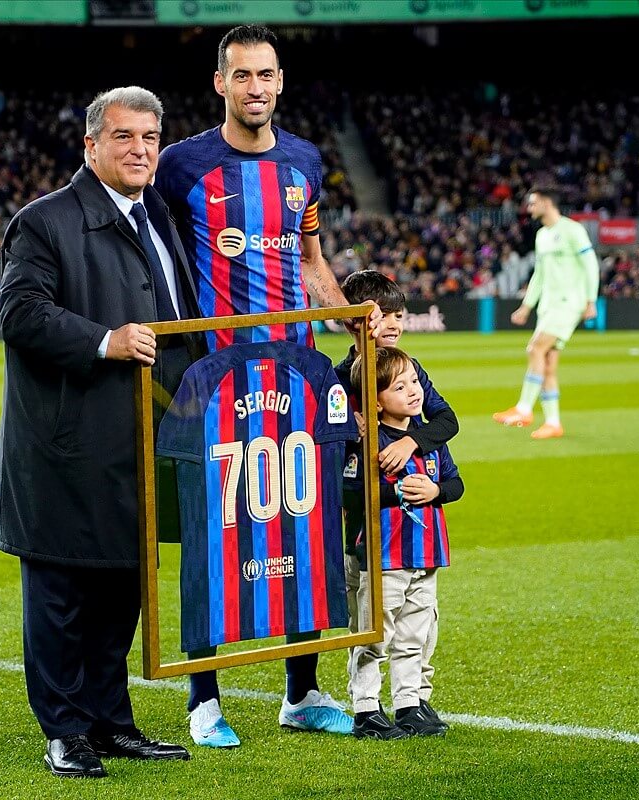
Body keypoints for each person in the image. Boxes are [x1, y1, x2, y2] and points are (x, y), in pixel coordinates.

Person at [155, 24, 377, 748]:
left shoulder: (306, 162)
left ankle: (302, 691)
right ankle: (203, 698)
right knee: (211, 530)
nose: (257, 87)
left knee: (301, 524)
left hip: (298, 376)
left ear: (280, 82)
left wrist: (350, 321)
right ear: (219, 82)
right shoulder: (182, 165)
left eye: (268, 75)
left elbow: (310, 257)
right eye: (243, 75)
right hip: (212, 381)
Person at [0, 86, 200, 780]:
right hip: (66, 447)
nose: (140, 149)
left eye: (149, 137)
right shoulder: (44, 222)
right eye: (123, 137)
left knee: (123, 590)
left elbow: (179, 320)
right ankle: (64, 731)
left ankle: (112, 722)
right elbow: (20, 314)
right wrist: (104, 340)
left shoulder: (158, 216)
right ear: (91, 145)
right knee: (60, 595)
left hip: (141, 442)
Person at [334, 269, 456, 735]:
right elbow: (341, 463)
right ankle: (367, 706)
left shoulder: (410, 368)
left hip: (415, 534)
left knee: (417, 626)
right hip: (367, 532)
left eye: (398, 315)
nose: (392, 323)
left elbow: (447, 422)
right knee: (372, 622)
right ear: (352, 320)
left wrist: (412, 444)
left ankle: (412, 701)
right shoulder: (340, 379)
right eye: (381, 314)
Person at [492, 188, 598, 439]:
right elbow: (538, 275)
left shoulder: (573, 230)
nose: (529, 208)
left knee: (535, 348)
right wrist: (527, 306)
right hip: (548, 306)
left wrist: (590, 300)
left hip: (568, 302)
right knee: (548, 363)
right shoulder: (542, 236)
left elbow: (591, 264)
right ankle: (553, 422)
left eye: (533, 203)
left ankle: (524, 408)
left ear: (547, 202)